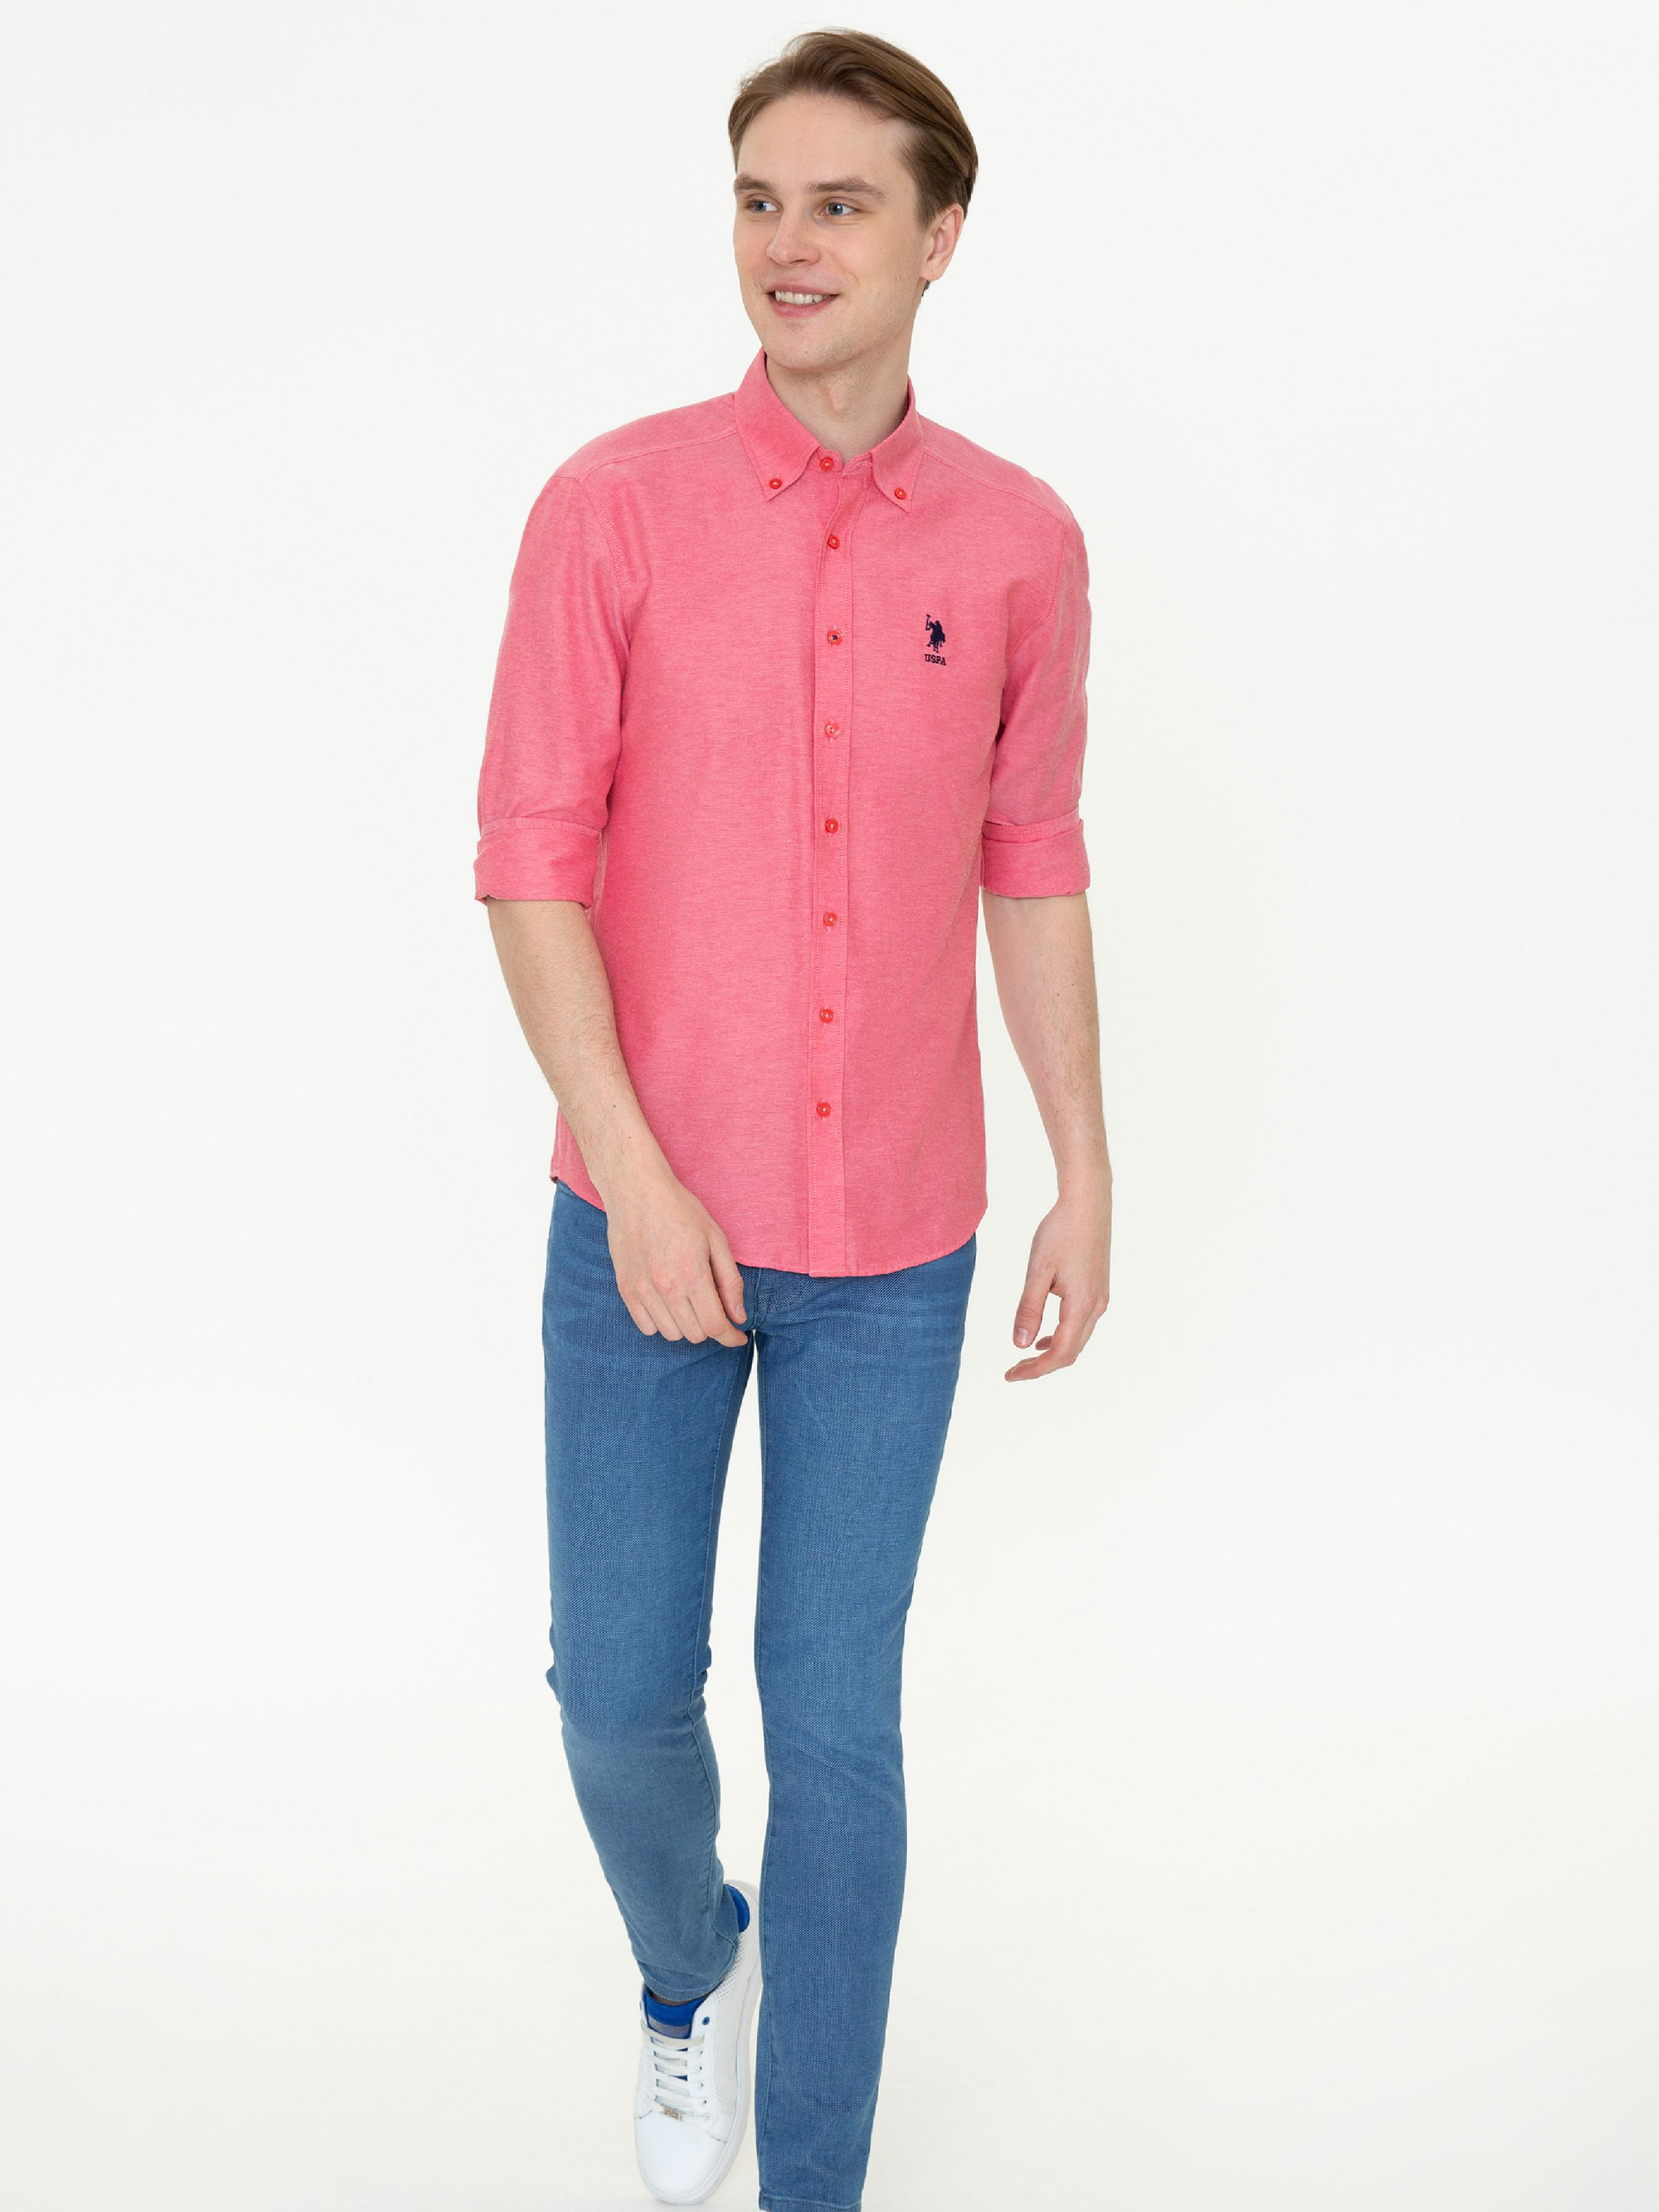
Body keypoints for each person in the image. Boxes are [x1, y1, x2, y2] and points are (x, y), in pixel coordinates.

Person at [473, 29, 1112, 2210]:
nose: (788, 244)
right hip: (640, 1222)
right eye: (759, 200)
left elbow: (1033, 858)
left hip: (896, 1243)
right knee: (615, 1699)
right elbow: (528, 863)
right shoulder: (611, 508)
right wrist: (639, 1176)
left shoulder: (1019, 542)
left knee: (834, 1720)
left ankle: (810, 2180)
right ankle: (690, 1966)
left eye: (840, 203)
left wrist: (1083, 1168)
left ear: (941, 236)